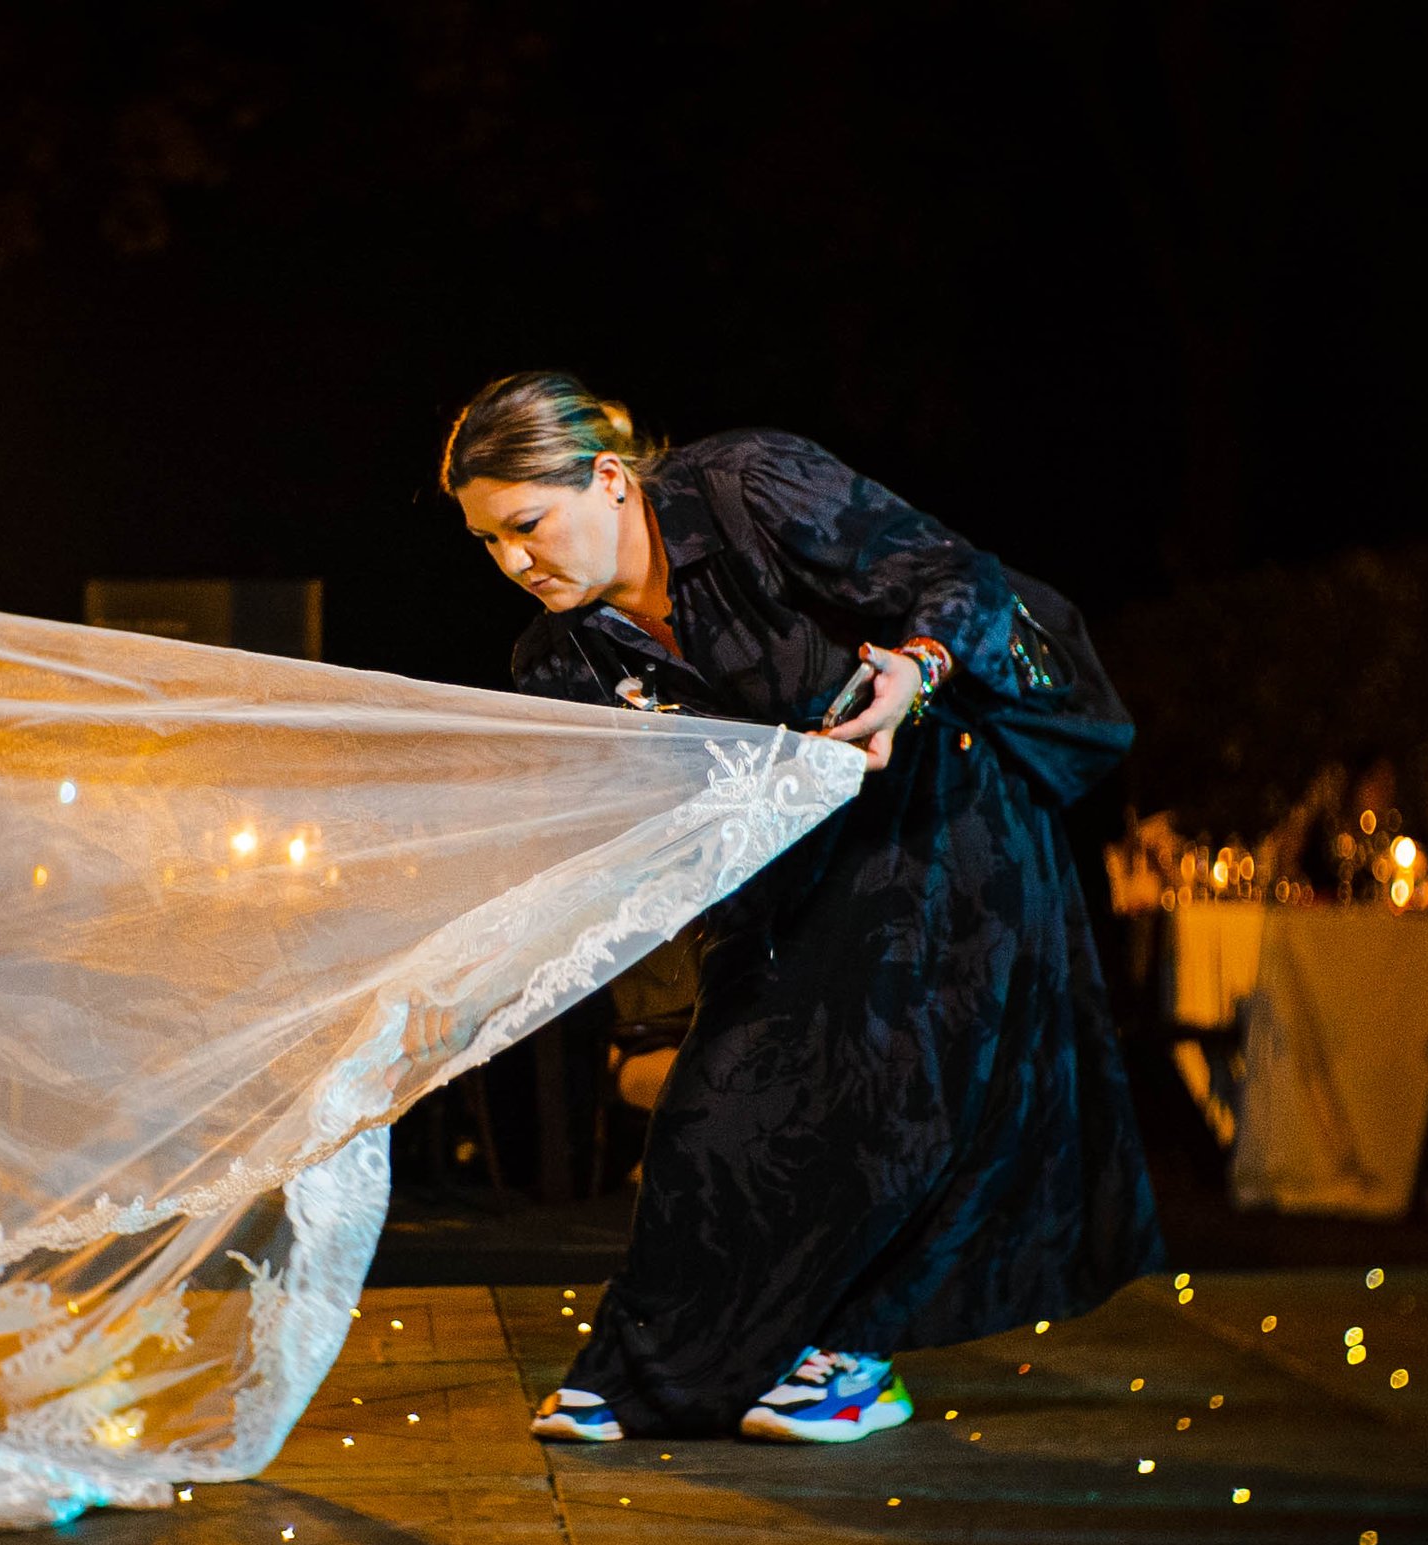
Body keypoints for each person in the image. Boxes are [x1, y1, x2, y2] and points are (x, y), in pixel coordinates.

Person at [438, 371, 1165, 1442]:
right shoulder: (561, 662)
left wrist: (911, 672)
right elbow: (629, 853)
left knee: (890, 1063)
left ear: (606, 479)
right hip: (797, 869)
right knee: (712, 1104)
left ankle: (851, 1359)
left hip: (944, 797)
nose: (513, 562)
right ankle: (652, 1369)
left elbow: (955, 574)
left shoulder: (746, 487)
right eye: (488, 543)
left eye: (527, 525)